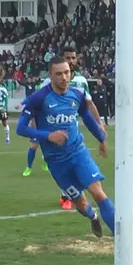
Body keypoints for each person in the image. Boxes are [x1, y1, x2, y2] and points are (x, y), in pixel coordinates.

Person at [16, 59, 115, 238]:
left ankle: (121, 239)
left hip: (78, 153)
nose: (64, 77)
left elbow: (86, 118)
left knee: (98, 193)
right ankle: (93, 217)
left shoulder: (77, 95)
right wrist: (48, 136)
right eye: (59, 74)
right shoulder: (39, 98)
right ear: (50, 75)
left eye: (67, 72)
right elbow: (20, 128)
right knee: (81, 203)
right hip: (56, 162)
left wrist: (101, 139)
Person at [35, 47, 105, 210]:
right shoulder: (48, 83)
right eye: (68, 58)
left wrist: (99, 123)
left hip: (73, 130)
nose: (71, 61)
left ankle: (74, 197)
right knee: (62, 164)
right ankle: (67, 196)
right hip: (53, 131)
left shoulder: (81, 81)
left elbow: (89, 103)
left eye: (73, 58)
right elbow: (37, 107)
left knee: (77, 162)